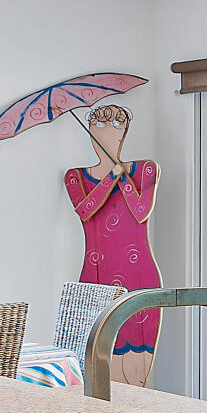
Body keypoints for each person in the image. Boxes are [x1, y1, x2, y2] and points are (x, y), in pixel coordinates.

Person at [65, 102, 162, 386]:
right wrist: (111, 177)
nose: (106, 138)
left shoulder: (145, 170)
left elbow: (141, 212)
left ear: (124, 135)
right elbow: (85, 211)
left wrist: (124, 179)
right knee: (96, 358)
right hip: (95, 277)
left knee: (136, 366)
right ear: (90, 134)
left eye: (115, 131)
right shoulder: (75, 176)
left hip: (139, 273)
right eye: (98, 130)